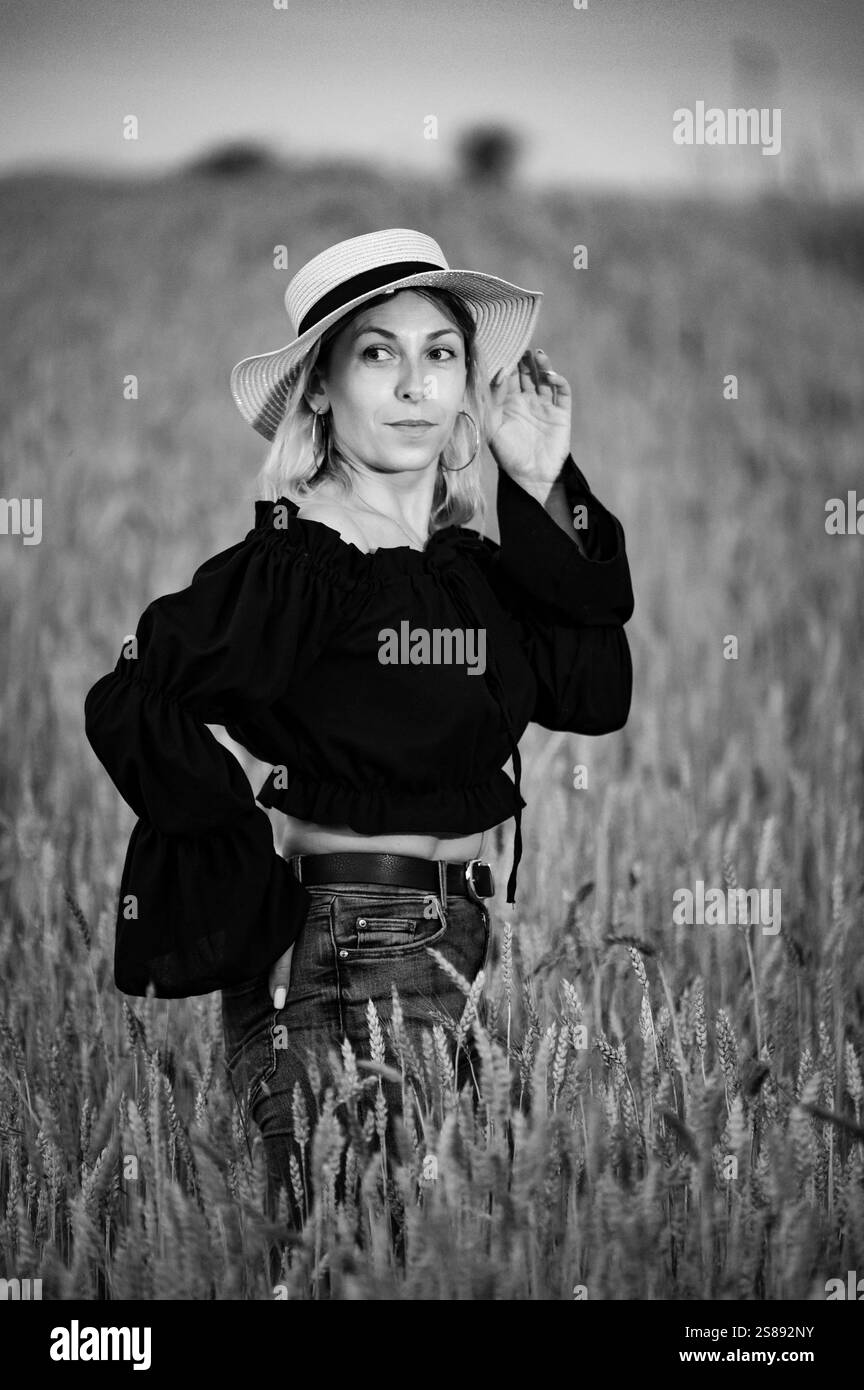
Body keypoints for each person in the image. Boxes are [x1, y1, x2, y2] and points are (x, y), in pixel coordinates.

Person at [84, 227, 634, 1240]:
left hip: (452, 938)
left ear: (468, 387)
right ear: (321, 391)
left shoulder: (464, 567)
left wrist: (545, 479)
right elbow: (135, 693)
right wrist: (242, 871)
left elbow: (592, 688)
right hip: (348, 944)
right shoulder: (302, 563)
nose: (416, 383)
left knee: (401, 1255)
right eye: (378, 353)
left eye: (441, 353)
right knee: (361, 1252)